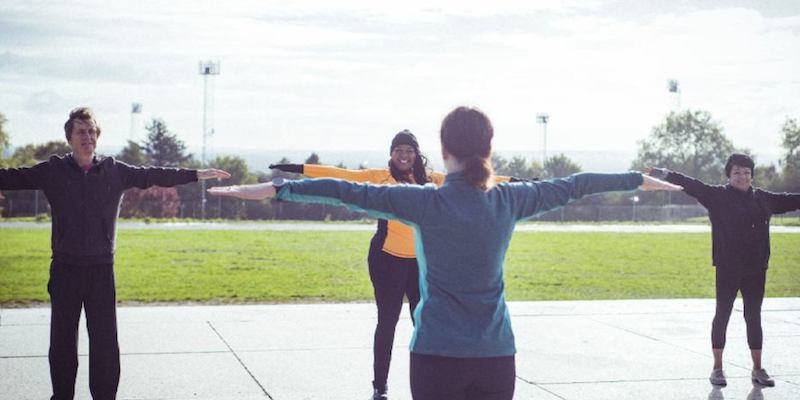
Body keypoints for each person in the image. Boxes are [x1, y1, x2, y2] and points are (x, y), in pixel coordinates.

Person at [210, 106, 680, 400]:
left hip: (436, 358)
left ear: (443, 150)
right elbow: (577, 185)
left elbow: (340, 190)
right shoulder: (510, 199)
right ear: (490, 148)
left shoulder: (424, 202)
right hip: (497, 359)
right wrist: (641, 178)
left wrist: (269, 188)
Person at [269, 130, 521, 399]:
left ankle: (436, 379)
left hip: (420, 263)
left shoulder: (432, 180)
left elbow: (479, 181)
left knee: (424, 323)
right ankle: (380, 386)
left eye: (409, 150)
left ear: (416, 154)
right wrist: (293, 168)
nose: (404, 155)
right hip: (386, 259)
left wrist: (517, 182)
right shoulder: (379, 177)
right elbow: (338, 175)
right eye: (399, 150)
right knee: (387, 322)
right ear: (392, 154)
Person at [0, 107, 231, 400]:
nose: (88, 136)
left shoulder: (114, 170)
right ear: (69, 137)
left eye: (92, 131)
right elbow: (13, 178)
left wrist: (196, 174)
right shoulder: (53, 171)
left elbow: (153, 175)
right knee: (62, 343)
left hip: (101, 270)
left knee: (105, 343)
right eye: (81, 131)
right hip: (65, 269)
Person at [648, 155, 800, 388]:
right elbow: (692, 184)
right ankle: (717, 368)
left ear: (752, 175)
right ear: (729, 175)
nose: (743, 176)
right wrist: (664, 173)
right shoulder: (717, 196)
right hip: (728, 267)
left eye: (747, 172)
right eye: (738, 172)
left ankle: (758, 369)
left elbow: (792, 200)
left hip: (756, 268)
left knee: (754, 317)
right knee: (723, 314)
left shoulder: (763, 199)